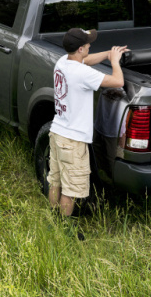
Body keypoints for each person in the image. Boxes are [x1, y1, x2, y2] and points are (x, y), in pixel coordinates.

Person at [48, 28, 128, 226]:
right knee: (71, 189)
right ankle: (64, 230)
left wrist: (108, 53)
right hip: (73, 141)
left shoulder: (63, 62)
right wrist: (115, 62)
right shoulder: (83, 74)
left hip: (57, 133)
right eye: (88, 44)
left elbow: (86, 60)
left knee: (55, 180)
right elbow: (117, 81)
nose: (91, 45)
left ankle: (52, 221)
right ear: (81, 48)